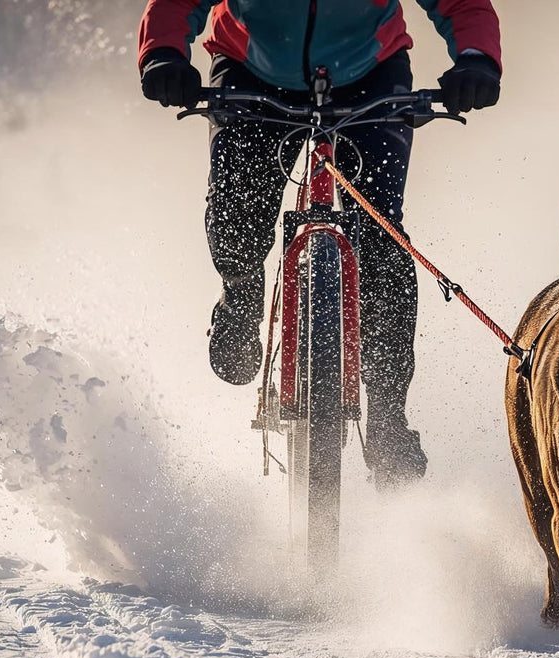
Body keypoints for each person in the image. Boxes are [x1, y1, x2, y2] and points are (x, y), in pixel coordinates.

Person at [137, 0, 501, 489]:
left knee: (381, 237)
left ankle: (389, 417)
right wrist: (163, 53)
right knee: (236, 223)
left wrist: (476, 58)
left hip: (370, 73)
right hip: (251, 68)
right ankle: (241, 296)